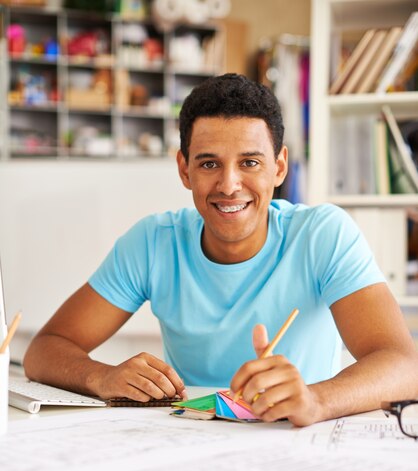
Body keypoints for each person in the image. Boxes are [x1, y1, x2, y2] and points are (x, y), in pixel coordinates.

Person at [24, 73, 418, 426]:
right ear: (184, 169)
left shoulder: (322, 234)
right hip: (182, 440)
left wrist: (315, 400)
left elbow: (404, 365)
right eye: (210, 164)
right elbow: (44, 350)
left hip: (295, 439)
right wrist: (101, 377)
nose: (229, 185)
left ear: (279, 167)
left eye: (250, 162)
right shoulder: (152, 241)